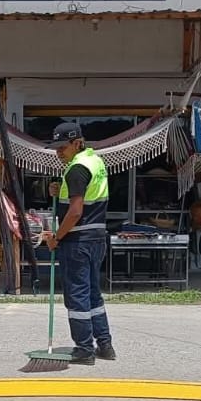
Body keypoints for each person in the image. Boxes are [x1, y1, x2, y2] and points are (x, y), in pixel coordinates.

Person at [40, 122, 116, 365]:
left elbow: (75, 212)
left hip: (77, 242)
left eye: (62, 147)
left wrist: (56, 238)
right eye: (56, 148)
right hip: (96, 239)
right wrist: (59, 188)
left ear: (77, 143)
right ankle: (105, 345)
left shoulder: (76, 169)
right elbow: (85, 193)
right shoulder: (95, 161)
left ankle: (84, 349)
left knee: (77, 296)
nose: (58, 152)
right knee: (93, 293)